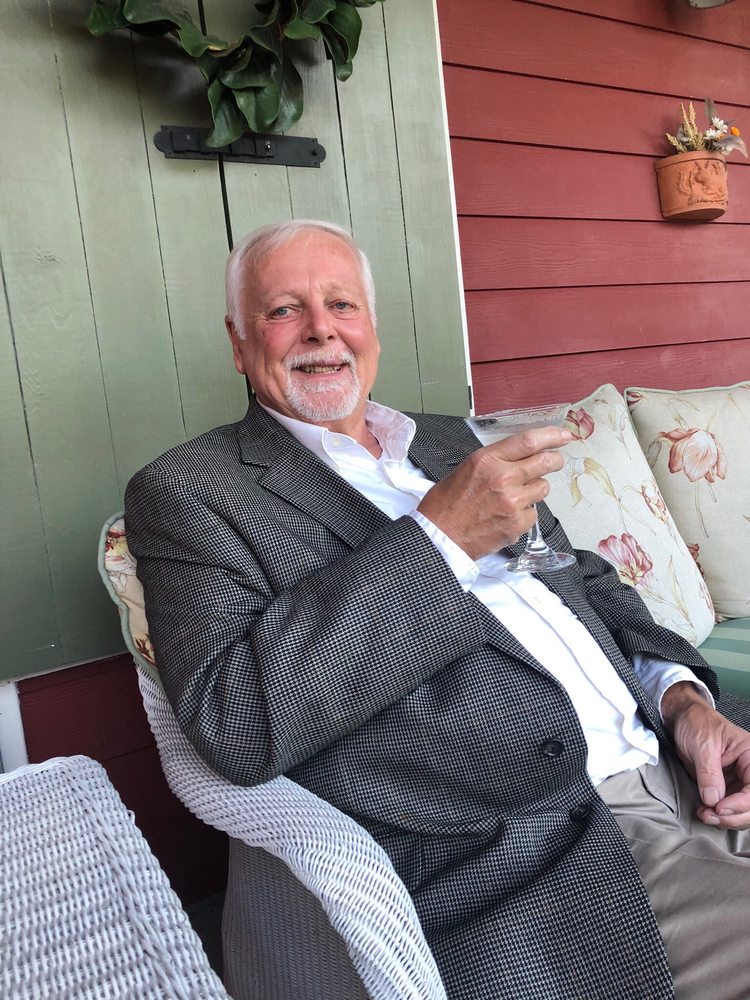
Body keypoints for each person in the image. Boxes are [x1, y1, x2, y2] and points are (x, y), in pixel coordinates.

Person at [125, 220, 750, 1000]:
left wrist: (683, 700)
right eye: (285, 310)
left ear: (371, 327)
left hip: (688, 765)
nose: (321, 329)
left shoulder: (451, 442)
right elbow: (235, 720)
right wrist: (438, 538)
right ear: (238, 342)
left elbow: (580, 580)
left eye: (342, 304)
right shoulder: (190, 493)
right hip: (549, 853)